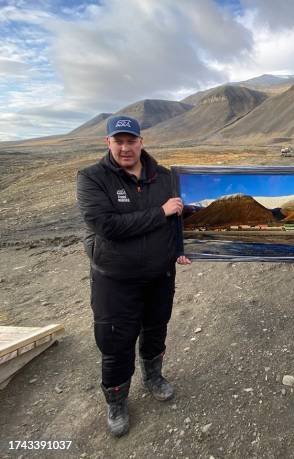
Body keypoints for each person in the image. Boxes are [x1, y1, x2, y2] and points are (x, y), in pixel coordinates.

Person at [77, 115, 191, 437]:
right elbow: (107, 226)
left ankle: (153, 376)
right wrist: (160, 212)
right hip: (115, 278)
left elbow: (178, 220)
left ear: (142, 142)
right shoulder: (91, 178)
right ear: (108, 143)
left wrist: (180, 247)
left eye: (131, 141)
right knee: (115, 340)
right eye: (119, 141)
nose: (125, 148)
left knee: (156, 328)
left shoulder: (166, 178)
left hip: (159, 275)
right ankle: (116, 400)